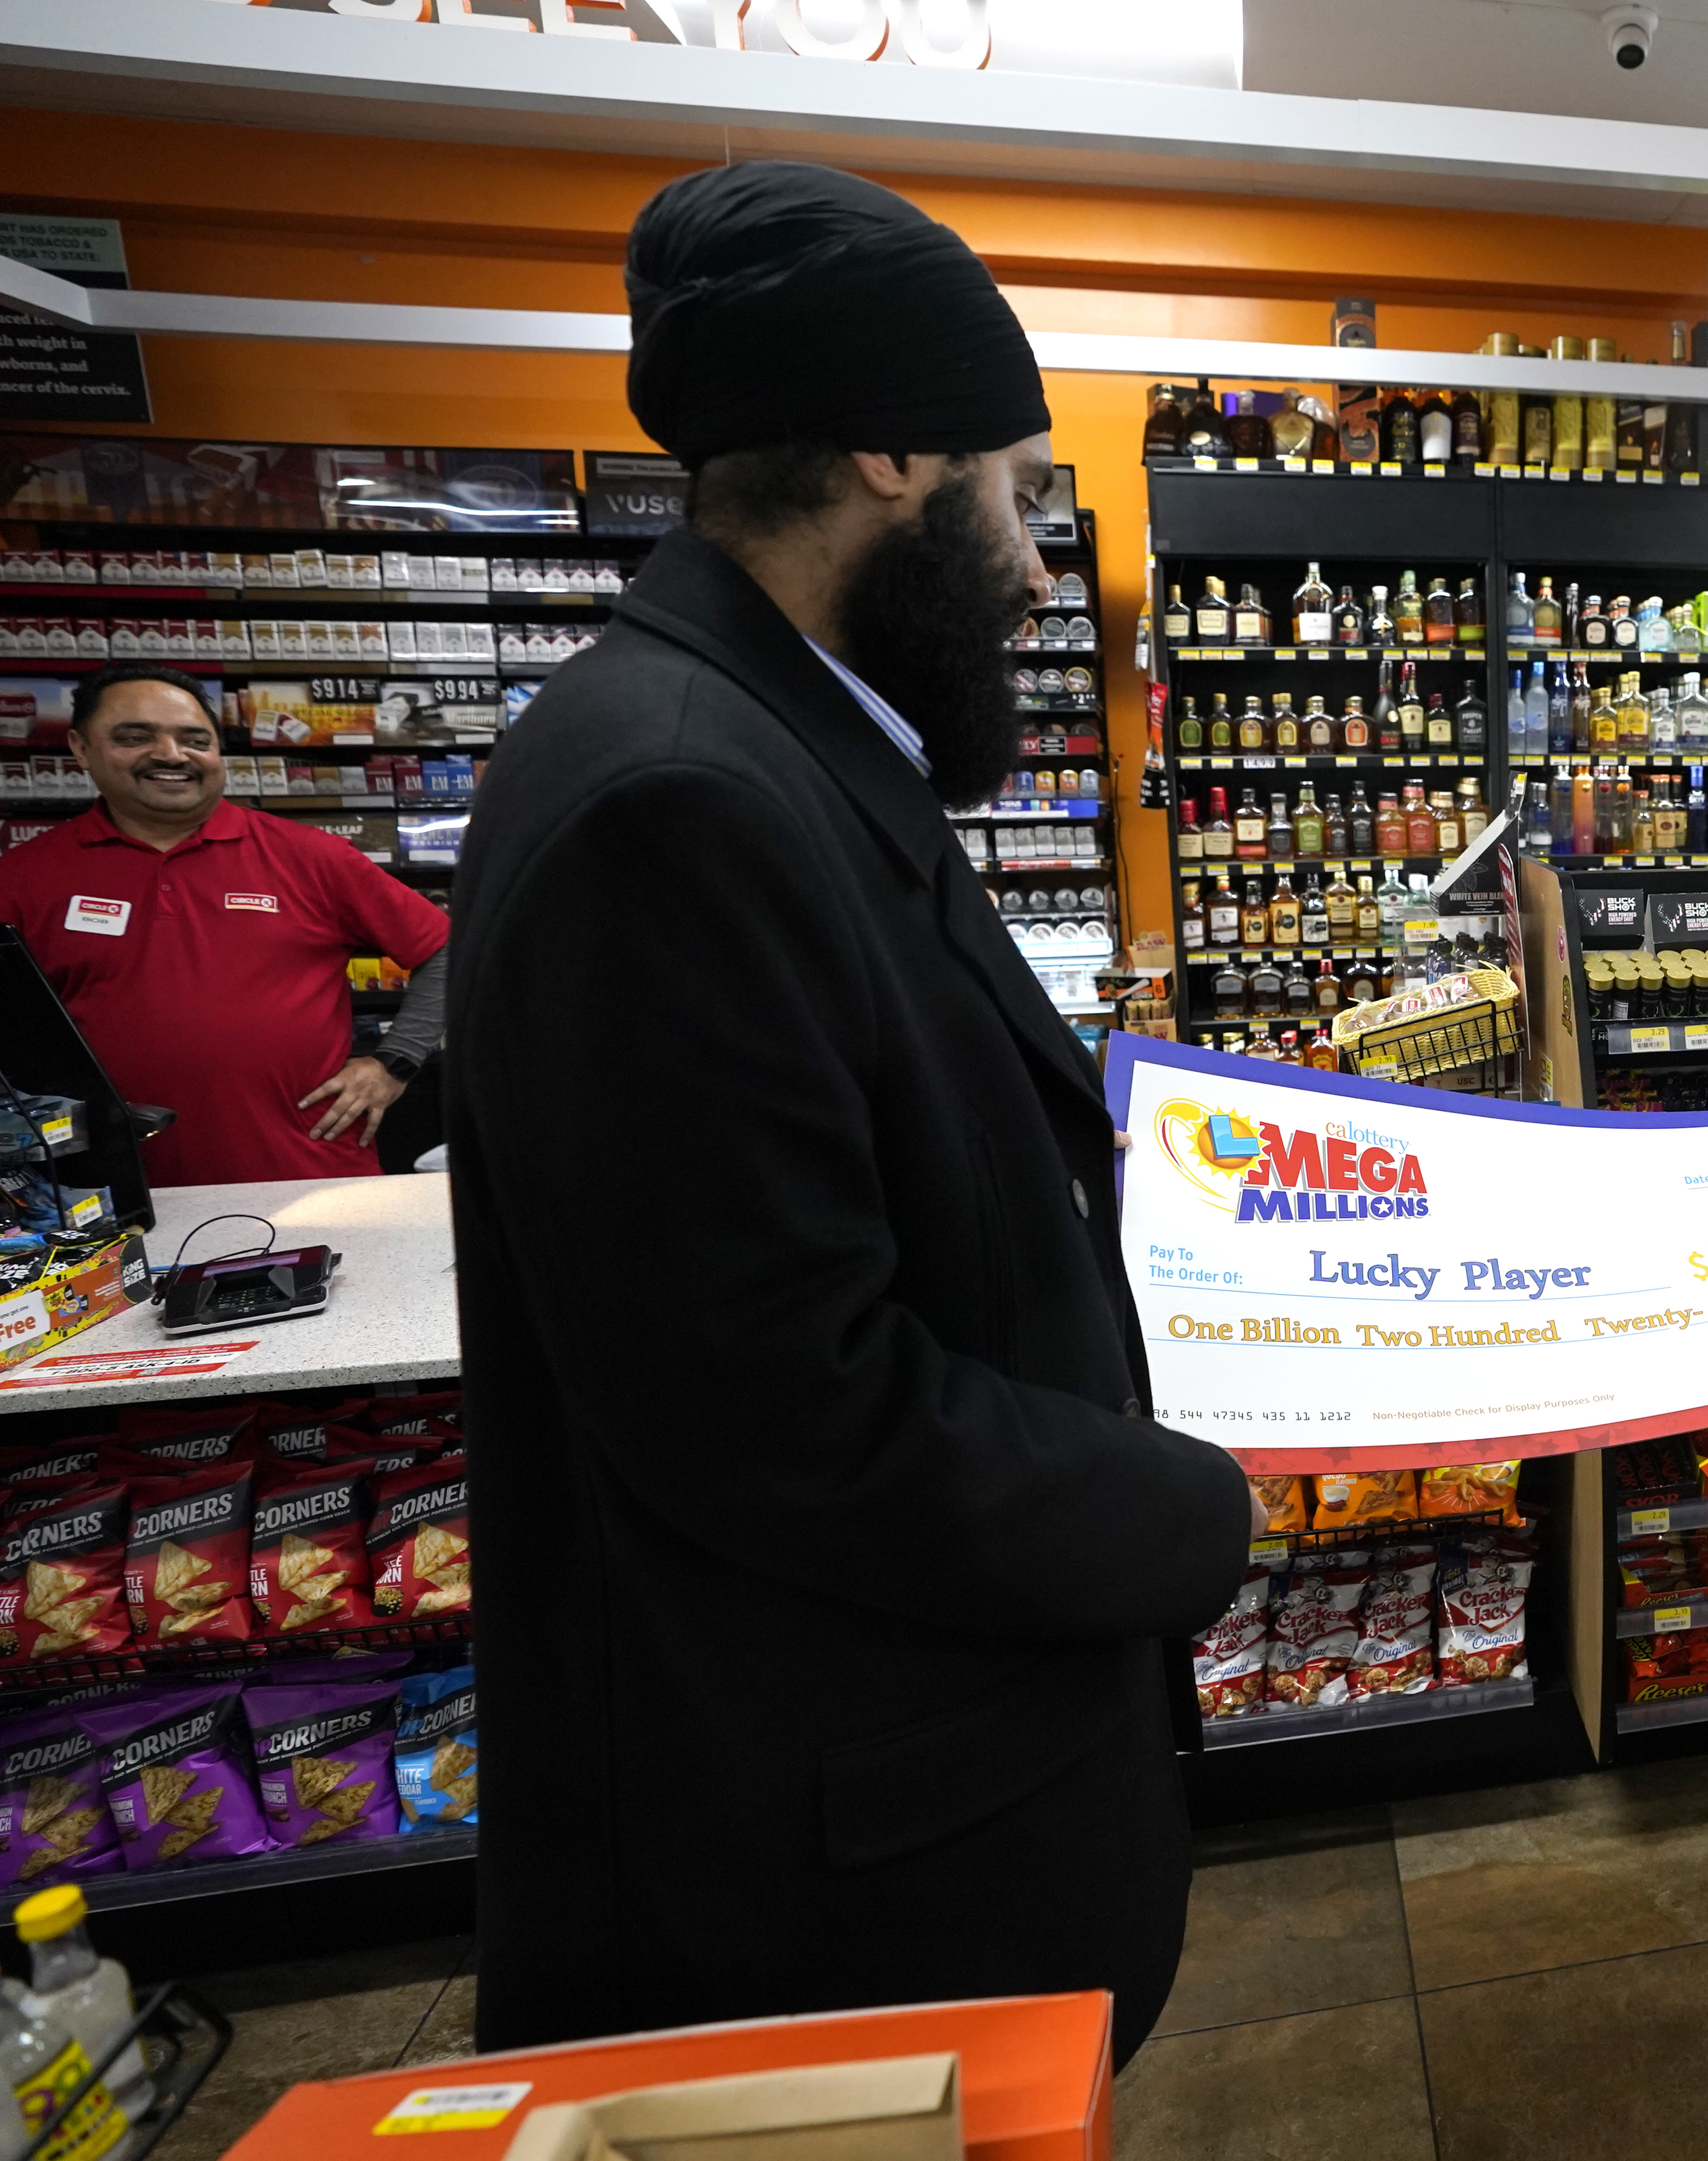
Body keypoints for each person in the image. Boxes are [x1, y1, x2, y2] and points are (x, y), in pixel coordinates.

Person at [447, 163, 1250, 2056]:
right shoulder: (679, 804)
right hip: (835, 1884)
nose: (1044, 564)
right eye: (1025, 490)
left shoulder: (760, 747)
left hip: (905, 1812)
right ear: (894, 455)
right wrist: (1185, 1501)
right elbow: (783, 1412)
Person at [0, 662, 445, 1184]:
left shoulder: (310, 857)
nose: (171, 754)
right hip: (108, 1190)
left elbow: (450, 949)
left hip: (314, 1176)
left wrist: (397, 1063)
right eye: (135, 737)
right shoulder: (25, 876)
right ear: (80, 748)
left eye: (195, 739)